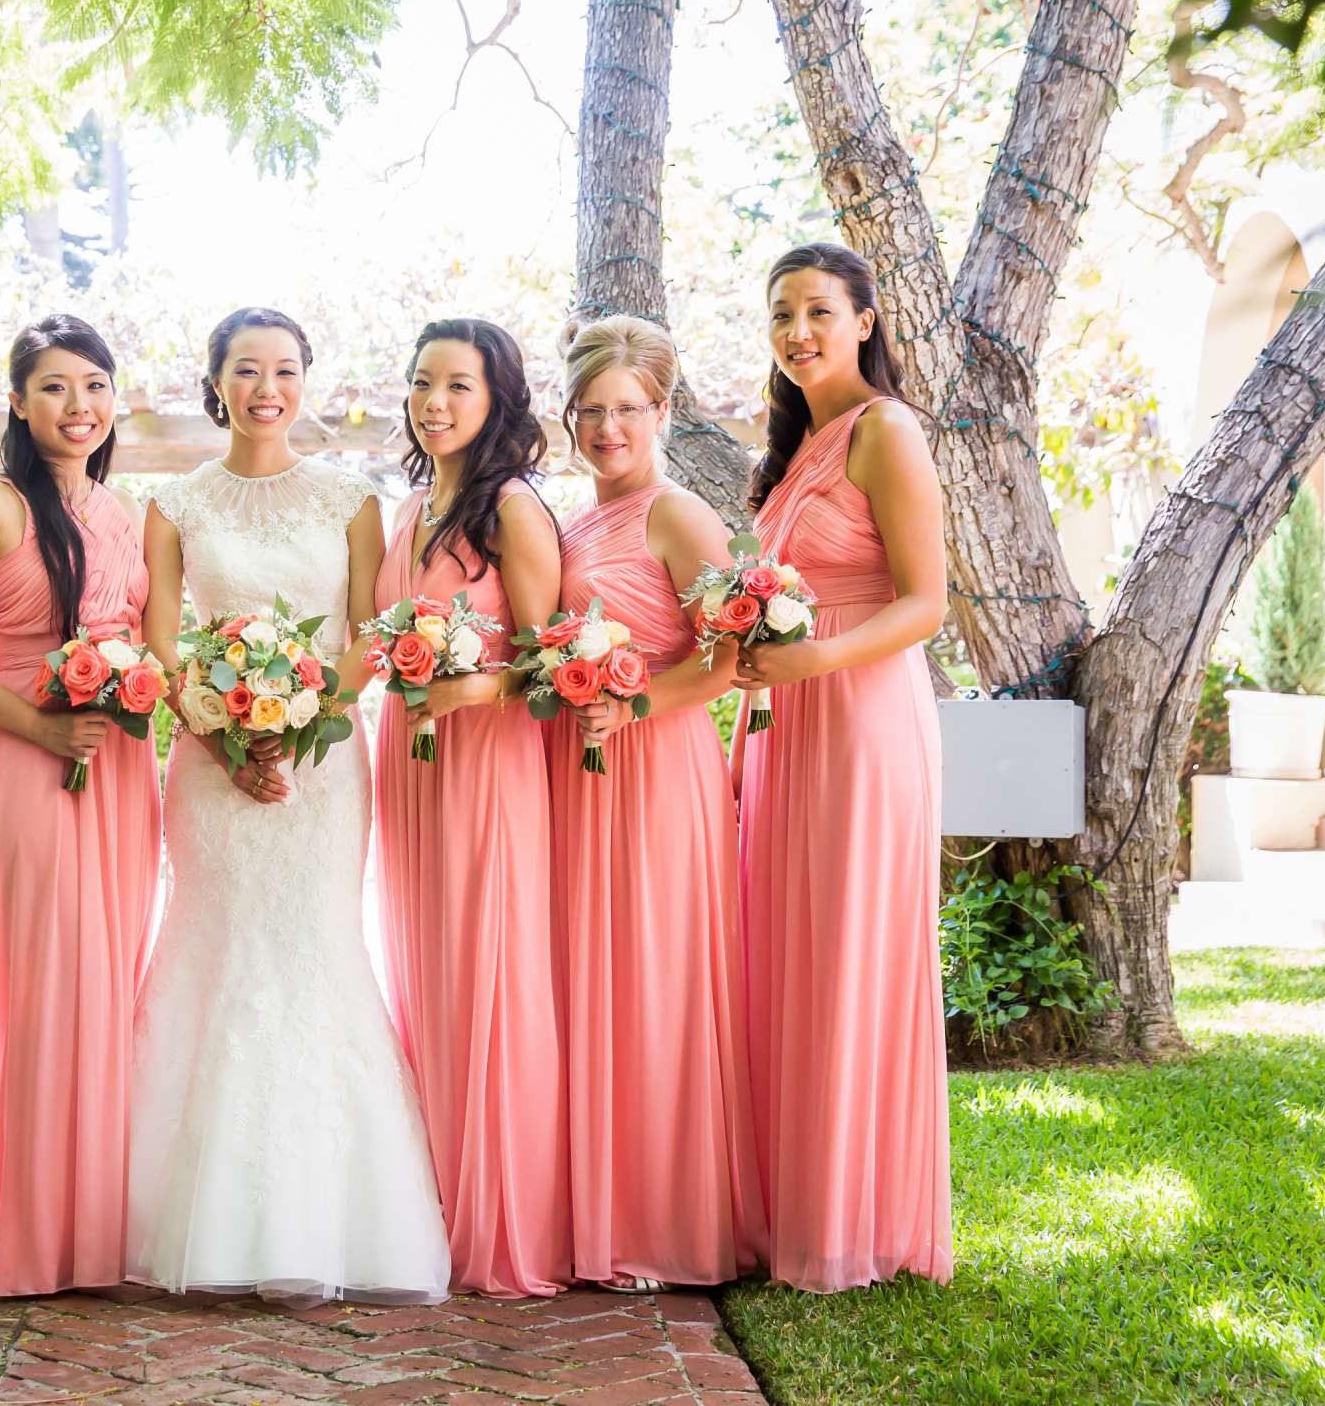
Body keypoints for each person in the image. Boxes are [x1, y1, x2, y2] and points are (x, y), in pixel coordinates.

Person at [125, 306, 450, 1305]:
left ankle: (331, 1215)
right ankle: (193, 1216)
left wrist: (301, 718)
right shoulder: (174, 503)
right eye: (246, 369)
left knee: (313, 949)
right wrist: (225, 728)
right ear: (214, 380)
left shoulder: (353, 499)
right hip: (209, 762)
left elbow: (366, 629)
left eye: (285, 369)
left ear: (307, 380)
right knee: (216, 950)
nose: (267, 387)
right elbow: (163, 640)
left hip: (325, 763)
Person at [0, 315, 162, 1298]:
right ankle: (27, 1228)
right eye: (54, 387)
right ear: (18, 401)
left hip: (119, 767)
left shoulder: (128, 512)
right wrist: (39, 724)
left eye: (94, 385)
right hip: (25, 756)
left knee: (107, 978)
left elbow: (149, 635)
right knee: (42, 980)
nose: (78, 406)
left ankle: (95, 1222)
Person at [734, 242, 952, 1292]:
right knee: (788, 952)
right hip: (787, 727)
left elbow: (926, 601)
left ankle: (849, 1221)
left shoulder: (885, 431)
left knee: (848, 950)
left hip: (861, 717)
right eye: (782, 314)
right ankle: (790, 1208)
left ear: (865, 320)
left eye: (819, 310)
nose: (797, 331)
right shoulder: (795, 446)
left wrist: (815, 654)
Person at [546, 314, 762, 1289]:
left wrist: (633, 705)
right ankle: (597, 1204)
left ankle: (666, 1220)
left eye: (626, 409)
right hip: (579, 768)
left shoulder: (678, 516)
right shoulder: (572, 519)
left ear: (662, 411)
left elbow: (732, 659)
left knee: (657, 977)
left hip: (658, 768)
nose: (607, 427)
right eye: (590, 410)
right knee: (591, 975)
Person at [370, 317, 570, 1298]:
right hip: (407, 767)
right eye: (421, 382)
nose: (435, 401)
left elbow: (549, 658)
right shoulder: (409, 507)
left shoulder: (513, 509)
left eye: (458, 384)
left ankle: (503, 1219)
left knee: (487, 971)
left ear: (498, 399)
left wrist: (472, 687)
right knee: (426, 972)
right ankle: (432, 1203)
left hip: (488, 763)